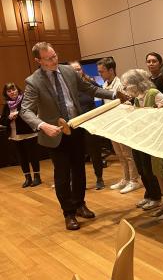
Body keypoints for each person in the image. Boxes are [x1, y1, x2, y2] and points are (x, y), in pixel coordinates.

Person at [19, 42, 125, 231]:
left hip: (75, 128)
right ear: (38, 60)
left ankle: (80, 204)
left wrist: (115, 94)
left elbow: (90, 89)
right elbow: (25, 110)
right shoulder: (33, 81)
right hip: (55, 133)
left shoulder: (68, 71)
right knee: (62, 175)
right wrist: (43, 125)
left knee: (79, 170)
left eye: (55, 56)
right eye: (48, 58)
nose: (54, 60)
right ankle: (68, 213)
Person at [121, 69, 163, 220]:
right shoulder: (138, 98)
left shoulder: (153, 93)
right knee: (156, 172)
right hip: (148, 140)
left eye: (126, 86)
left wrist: (151, 113)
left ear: (135, 83)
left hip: (161, 140)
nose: (125, 90)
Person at [96, 57, 142, 195]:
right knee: (119, 154)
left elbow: (129, 103)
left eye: (102, 71)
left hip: (123, 123)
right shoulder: (104, 85)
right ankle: (125, 178)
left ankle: (134, 180)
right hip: (112, 123)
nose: (100, 74)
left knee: (128, 154)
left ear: (111, 70)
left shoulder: (121, 84)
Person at [68, 61, 104, 190]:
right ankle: (75, 181)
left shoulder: (90, 84)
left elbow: (100, 98)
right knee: (75, 154)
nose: (77, 72)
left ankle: (99, 178)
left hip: (90, 123)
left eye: (79, 69)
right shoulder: (67, 87)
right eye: (74, 70)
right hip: (75, 124)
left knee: (95, 152)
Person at [1, 83, 41, 187]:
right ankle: (27, 178)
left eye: (13, 90)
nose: (12, 92)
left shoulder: (25, 101)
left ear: (18, 90)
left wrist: (17, 115)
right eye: (9, 91)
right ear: (6, 93)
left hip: (28, 133)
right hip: (14, 135)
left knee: (33, 156)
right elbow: (3, 121)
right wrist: (9, 118)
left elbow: (31, 114)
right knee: (21, 157)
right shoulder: (7, 105)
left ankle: (37, 177)